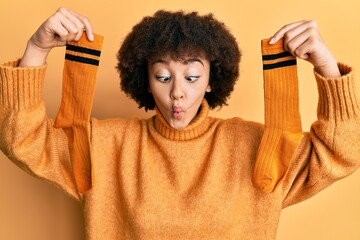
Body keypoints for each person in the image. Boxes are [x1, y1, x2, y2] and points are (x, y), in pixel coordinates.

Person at [0, 7, 359, 240]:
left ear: (212, 79)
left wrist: (326, 66)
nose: (177, 94)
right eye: (162, 76)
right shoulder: (105, 146)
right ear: (144, 79)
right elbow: (23, 140)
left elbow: (343, 152)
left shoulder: (256, 147)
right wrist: (36, 48)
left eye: (190, 77)